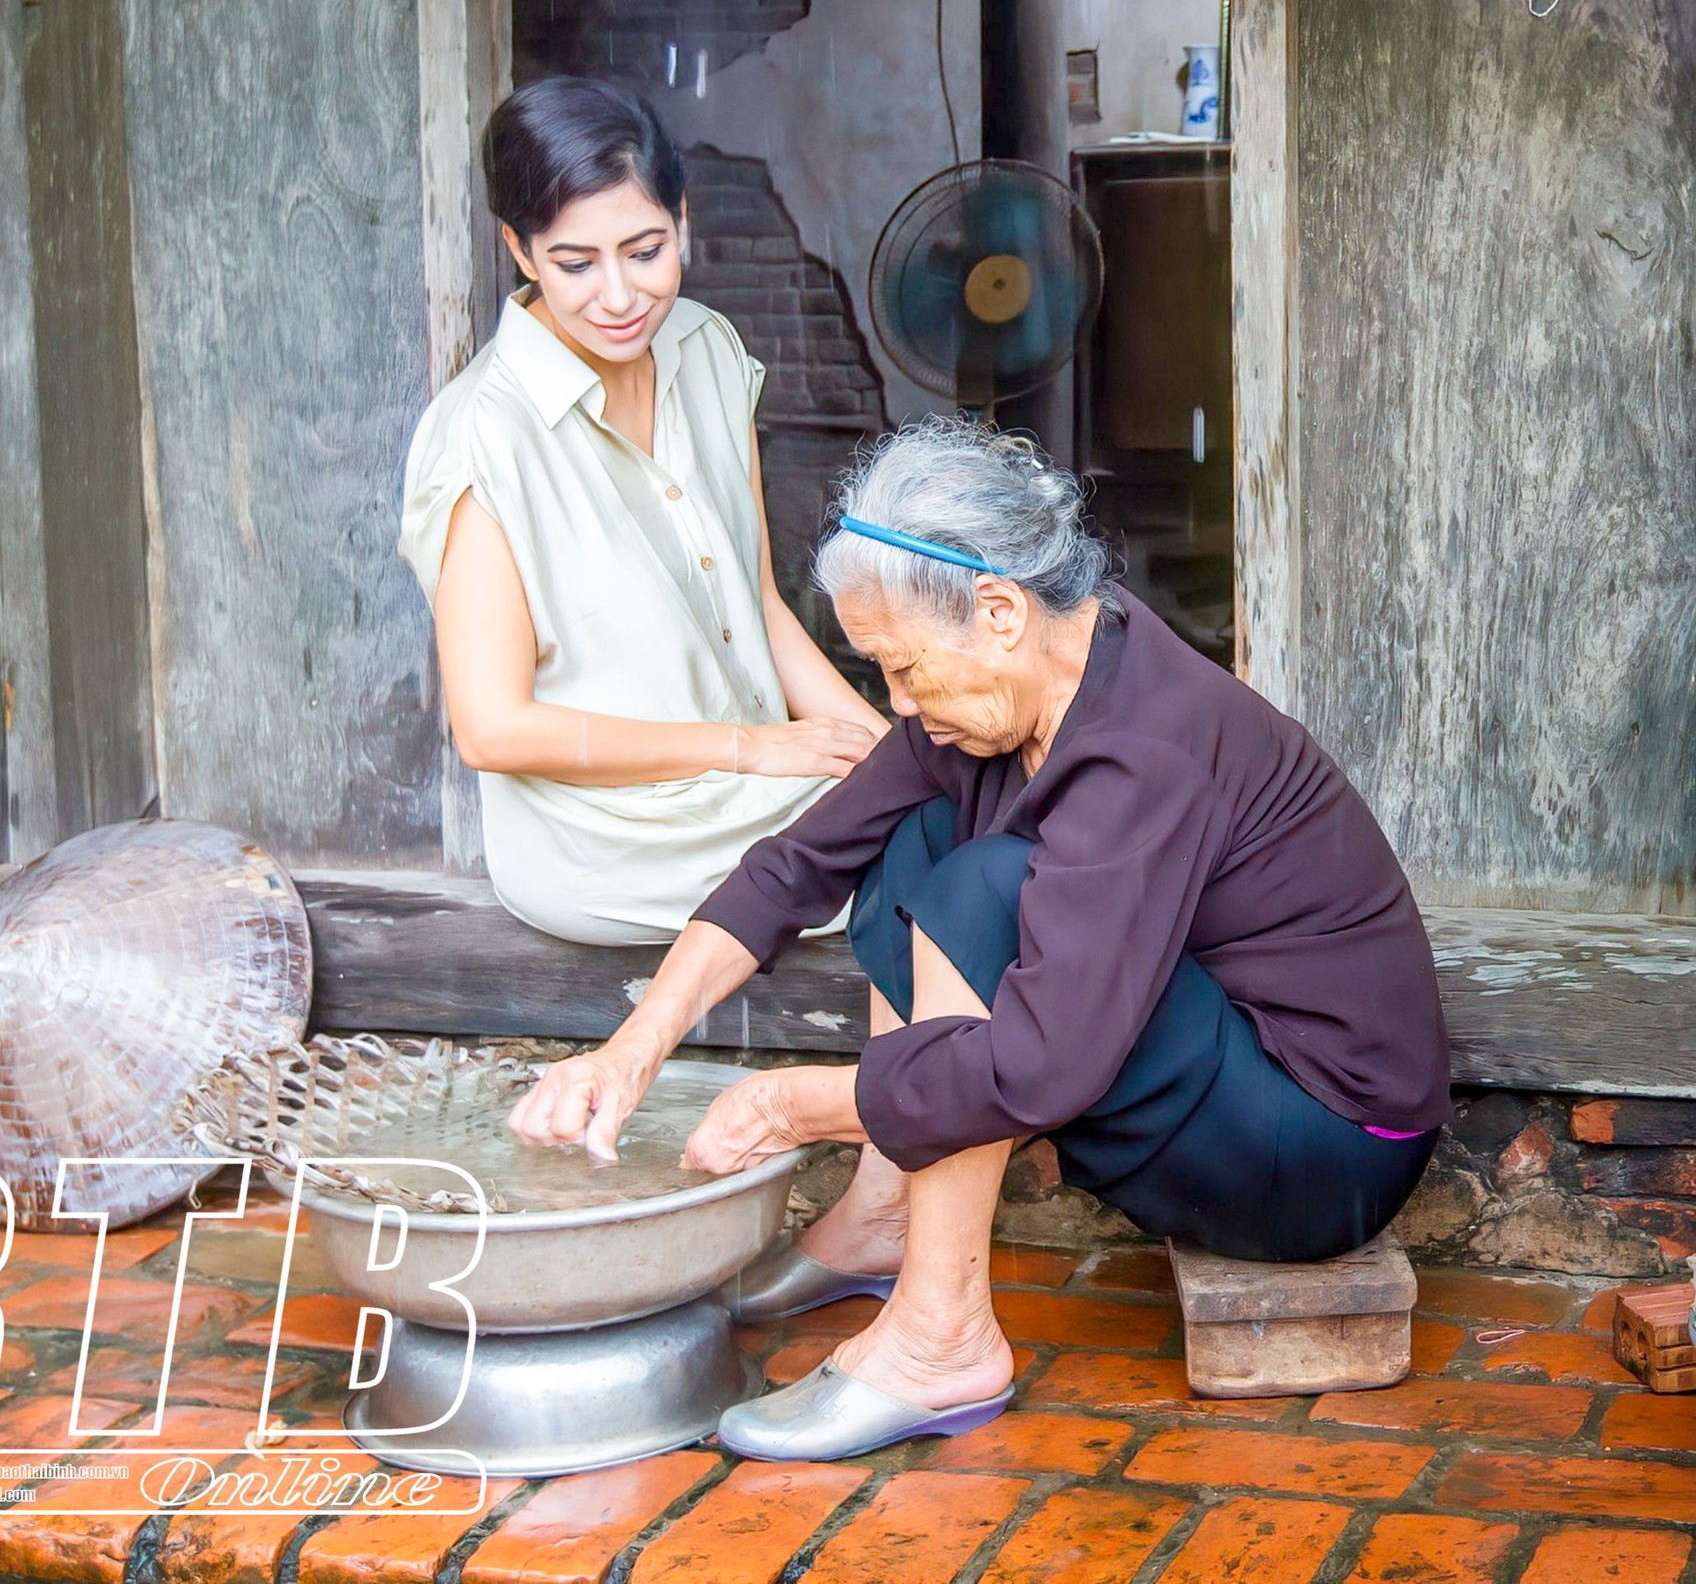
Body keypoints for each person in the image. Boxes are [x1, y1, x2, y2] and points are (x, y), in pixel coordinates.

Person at [510, 414, 1452, 1460]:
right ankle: (884, 1217)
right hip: (1223, 1070)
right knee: (908, 832)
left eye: (904, 670)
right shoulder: (1035, 672)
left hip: (1323, 1147)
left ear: (998, 611)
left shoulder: (1140, 748)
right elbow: (796, 864)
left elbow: (1042, 1064)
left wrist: (793, 1104)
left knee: (984, 886)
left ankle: (938, 1335)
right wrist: (627, 1048)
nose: (896, 703)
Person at [399, 76, 888, 944]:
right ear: (519, 249)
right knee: (935, 855)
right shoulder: (484, 437)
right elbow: (491, 728)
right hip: (608, 838)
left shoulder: (705, 349)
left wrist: (882, 745)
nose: (620, 297)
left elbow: (758, 601)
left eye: (646, 250)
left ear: (682, 219)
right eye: (576, 264)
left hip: (755, 785)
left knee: (951, 799)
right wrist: (747, 749)